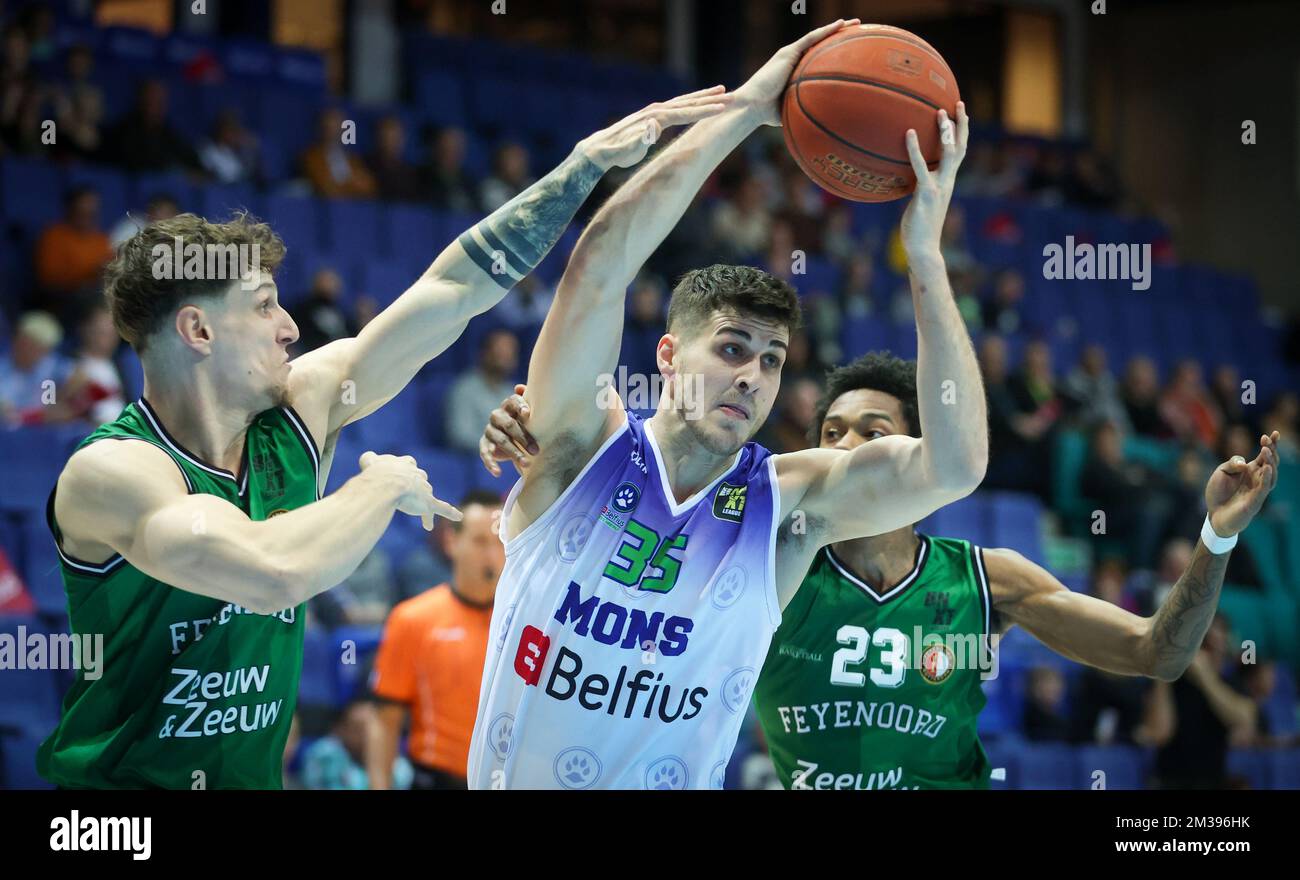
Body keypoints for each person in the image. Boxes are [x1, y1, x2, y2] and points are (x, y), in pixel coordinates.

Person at [34, 91, 724, 790]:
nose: (292, 328)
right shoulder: (113, 472)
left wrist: (581, 169)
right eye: (265, 307)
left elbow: (454, 288)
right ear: (199, 332)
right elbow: (269, 570)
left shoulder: (305, 405)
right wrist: (380, 485)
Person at [466, 18, 991, 791]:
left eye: (772, 360)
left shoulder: (786, 507)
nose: (752, 376)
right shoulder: (577, 442)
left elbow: (956, 465)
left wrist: (925, 257)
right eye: (733, 348)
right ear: (670, 354)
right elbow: (599, 266)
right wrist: (745, 111)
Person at [483, 353, 1280, 789]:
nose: (845, 447)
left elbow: (1158, 654)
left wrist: (1213, 539)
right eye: (830, 430)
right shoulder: (762, 564)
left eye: (872, 430)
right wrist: (539, 437)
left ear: (914, 461)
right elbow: (643, 479)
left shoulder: (987, 579)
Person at [368, 490, 504, 790]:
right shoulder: (413, 619)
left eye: (501, 542)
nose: (493, 555)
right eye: (480, 541)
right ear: (452, 542)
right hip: (438, 779)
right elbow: (384, 719)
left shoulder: (529, 622)